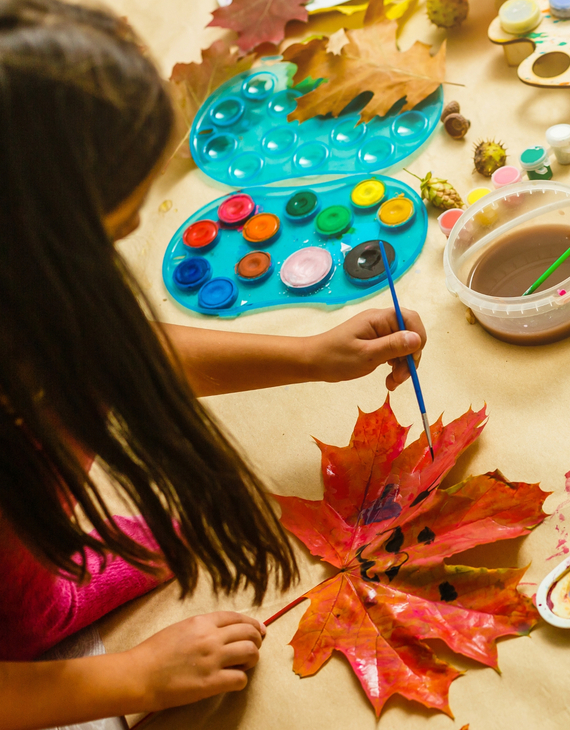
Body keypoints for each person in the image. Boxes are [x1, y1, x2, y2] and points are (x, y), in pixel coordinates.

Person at [0, 2, 428, 728]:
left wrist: (311, 356)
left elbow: (108, 353)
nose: (130, 239)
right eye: (121, 224)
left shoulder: (32, 308)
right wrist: (132, 679)